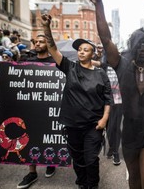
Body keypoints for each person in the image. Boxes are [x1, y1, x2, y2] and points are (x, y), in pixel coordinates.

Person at [87, 0, 144, 189]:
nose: (143, 48)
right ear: (132, 47)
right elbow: (106, 38)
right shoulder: (122, 65)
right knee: (134, 180)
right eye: (139, 45)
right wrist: (99, 3)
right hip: (130, 133)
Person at [41, 14, 112, 189]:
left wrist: (104, 120)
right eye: (79, 49)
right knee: (78, 159)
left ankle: (92, 185)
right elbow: (51, 48)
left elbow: (108, 98)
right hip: (72, 125)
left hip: (92, 125)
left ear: (92, 53)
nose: (81, 51)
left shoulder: (100, 74)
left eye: (85, 49)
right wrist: (46, 27)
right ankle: (82, 183)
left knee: (91, 158)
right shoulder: (69, 67)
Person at [16, 35, 57, 189]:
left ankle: (51, 162)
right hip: (31, 107)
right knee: (29, 136)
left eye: (41, 41)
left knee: (48, 134)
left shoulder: (55, 63)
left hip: (50, 106)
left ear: (48, 44)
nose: (38, 44)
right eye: (36, 42)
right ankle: (32, 172)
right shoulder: (27, 61)